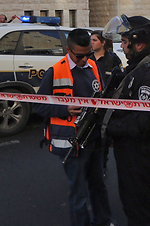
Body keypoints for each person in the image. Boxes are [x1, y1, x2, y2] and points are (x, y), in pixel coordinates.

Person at [33, 28, 113, 226]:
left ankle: (103, 221)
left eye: (88, 54)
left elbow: (102, 96)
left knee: (98, 186)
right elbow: (38, 105)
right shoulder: (55, 72)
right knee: (78, 194)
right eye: (79, 56)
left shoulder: (93, 66)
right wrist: (64, 109)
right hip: (72, 143)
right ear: (68, 50)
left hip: (94, 138)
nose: (84, 59)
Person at [104, 15, 150, 226]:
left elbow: (144, 122)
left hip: (141, 154)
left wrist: (110, 127)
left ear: (139, 43)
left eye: (126, 42)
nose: (123, 47)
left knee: (145, 211)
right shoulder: (136, 69)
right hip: (129, 152)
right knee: (131, 206)